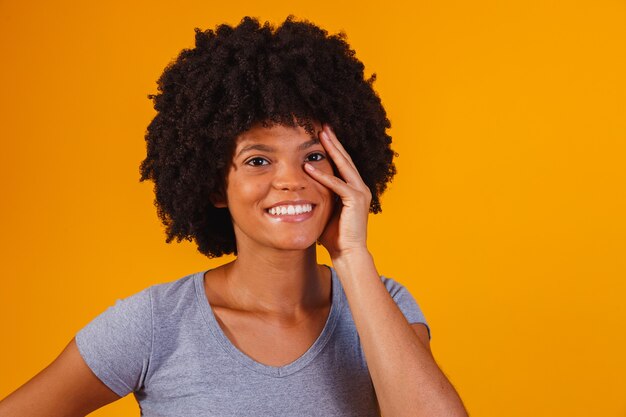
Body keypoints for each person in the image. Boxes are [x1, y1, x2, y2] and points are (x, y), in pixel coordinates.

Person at [0, 16, 468, 417]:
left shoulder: (382, 304)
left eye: (313, 156)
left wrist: (351, 255)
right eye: (258, 160)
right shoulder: (156, 324)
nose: (292, 180)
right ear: (214, 185)